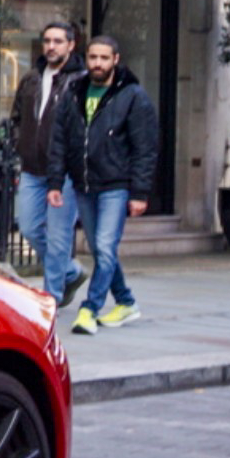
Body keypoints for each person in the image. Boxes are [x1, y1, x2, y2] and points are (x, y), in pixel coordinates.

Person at [48, 35, 158, 334]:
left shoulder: (132, 95)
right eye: (93, 58)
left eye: (104, 58)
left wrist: (139, 193)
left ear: (116, 60)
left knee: (105, 247)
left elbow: (144, 148)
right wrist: (55, 182)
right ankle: (125, 301)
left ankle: (90, 309)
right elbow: (60, 141)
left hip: (116, 185)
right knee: (100, 250)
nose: (97, 64)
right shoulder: (74, 92)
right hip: (84, 184)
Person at [10, 22, 87, 303]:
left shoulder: (81, 80)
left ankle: (51, 296)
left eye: (57, 41)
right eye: (47, 41)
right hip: (32, 168)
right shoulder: (31, 78)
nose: (51, 46)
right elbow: (17, 116)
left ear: (71, 45)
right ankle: (69, 271)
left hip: (64, 172)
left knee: (58, 237)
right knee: (28, 227)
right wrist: (21, 144)